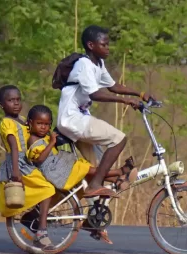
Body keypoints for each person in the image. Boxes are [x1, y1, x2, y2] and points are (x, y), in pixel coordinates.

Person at [56, 25, 155, 199]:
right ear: (91, 45)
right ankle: (99, 183)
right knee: (119, 139)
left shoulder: (98, 64)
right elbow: (94, 94)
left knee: (93, 168)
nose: (108, 48)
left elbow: (113, 86)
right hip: (72, 119)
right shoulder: (84, 64)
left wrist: (140, 94)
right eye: (104, 44)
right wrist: (125, 101)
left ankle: (92, 216)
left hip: (78, 119)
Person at [0, 85, 56, 251]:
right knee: (47, 189)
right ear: (1, 105)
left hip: (27, 161)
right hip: (18, 164)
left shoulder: (22, 119)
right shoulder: (7, 123)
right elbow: (14, 147)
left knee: (50, 186)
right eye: (10, 100)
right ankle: (41, 233)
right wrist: (16, 172)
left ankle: (33, 218)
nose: (15, 103)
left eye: (18, 99)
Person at [26, 104, 138, 192]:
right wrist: (52, 143)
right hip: (55, 171)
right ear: (31, 123)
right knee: (88, 169)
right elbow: (40, 159)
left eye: (46, 124)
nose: (43, 127)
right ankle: (119, 172)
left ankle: (116, 180)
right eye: (39, 123)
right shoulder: (33, 139)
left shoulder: (44, 136)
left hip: (59, 166)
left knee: (87, 168)